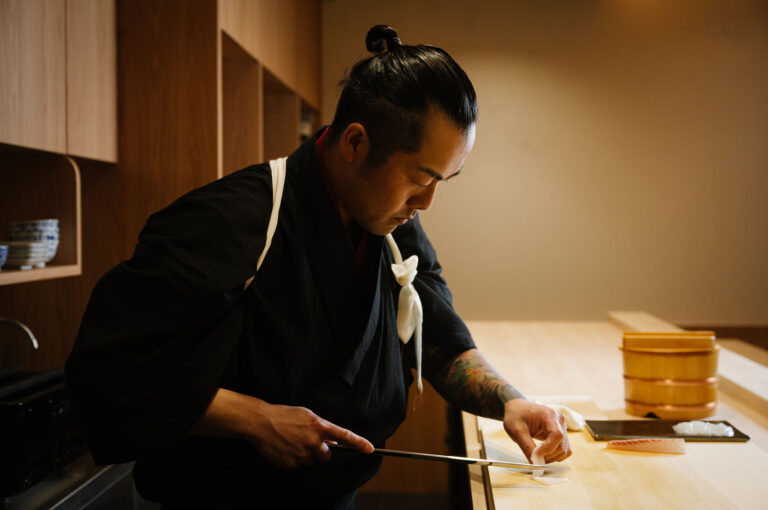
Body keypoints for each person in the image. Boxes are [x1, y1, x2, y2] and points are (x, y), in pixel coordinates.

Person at [65, 25, 571, 509]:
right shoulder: (235, 219)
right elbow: (109, 373)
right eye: (420, 178)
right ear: (355, 144)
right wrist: (253, 418)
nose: (427, 202)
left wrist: (510, 402)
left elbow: (438, 339)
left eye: (444, 181)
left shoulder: (392, 224)